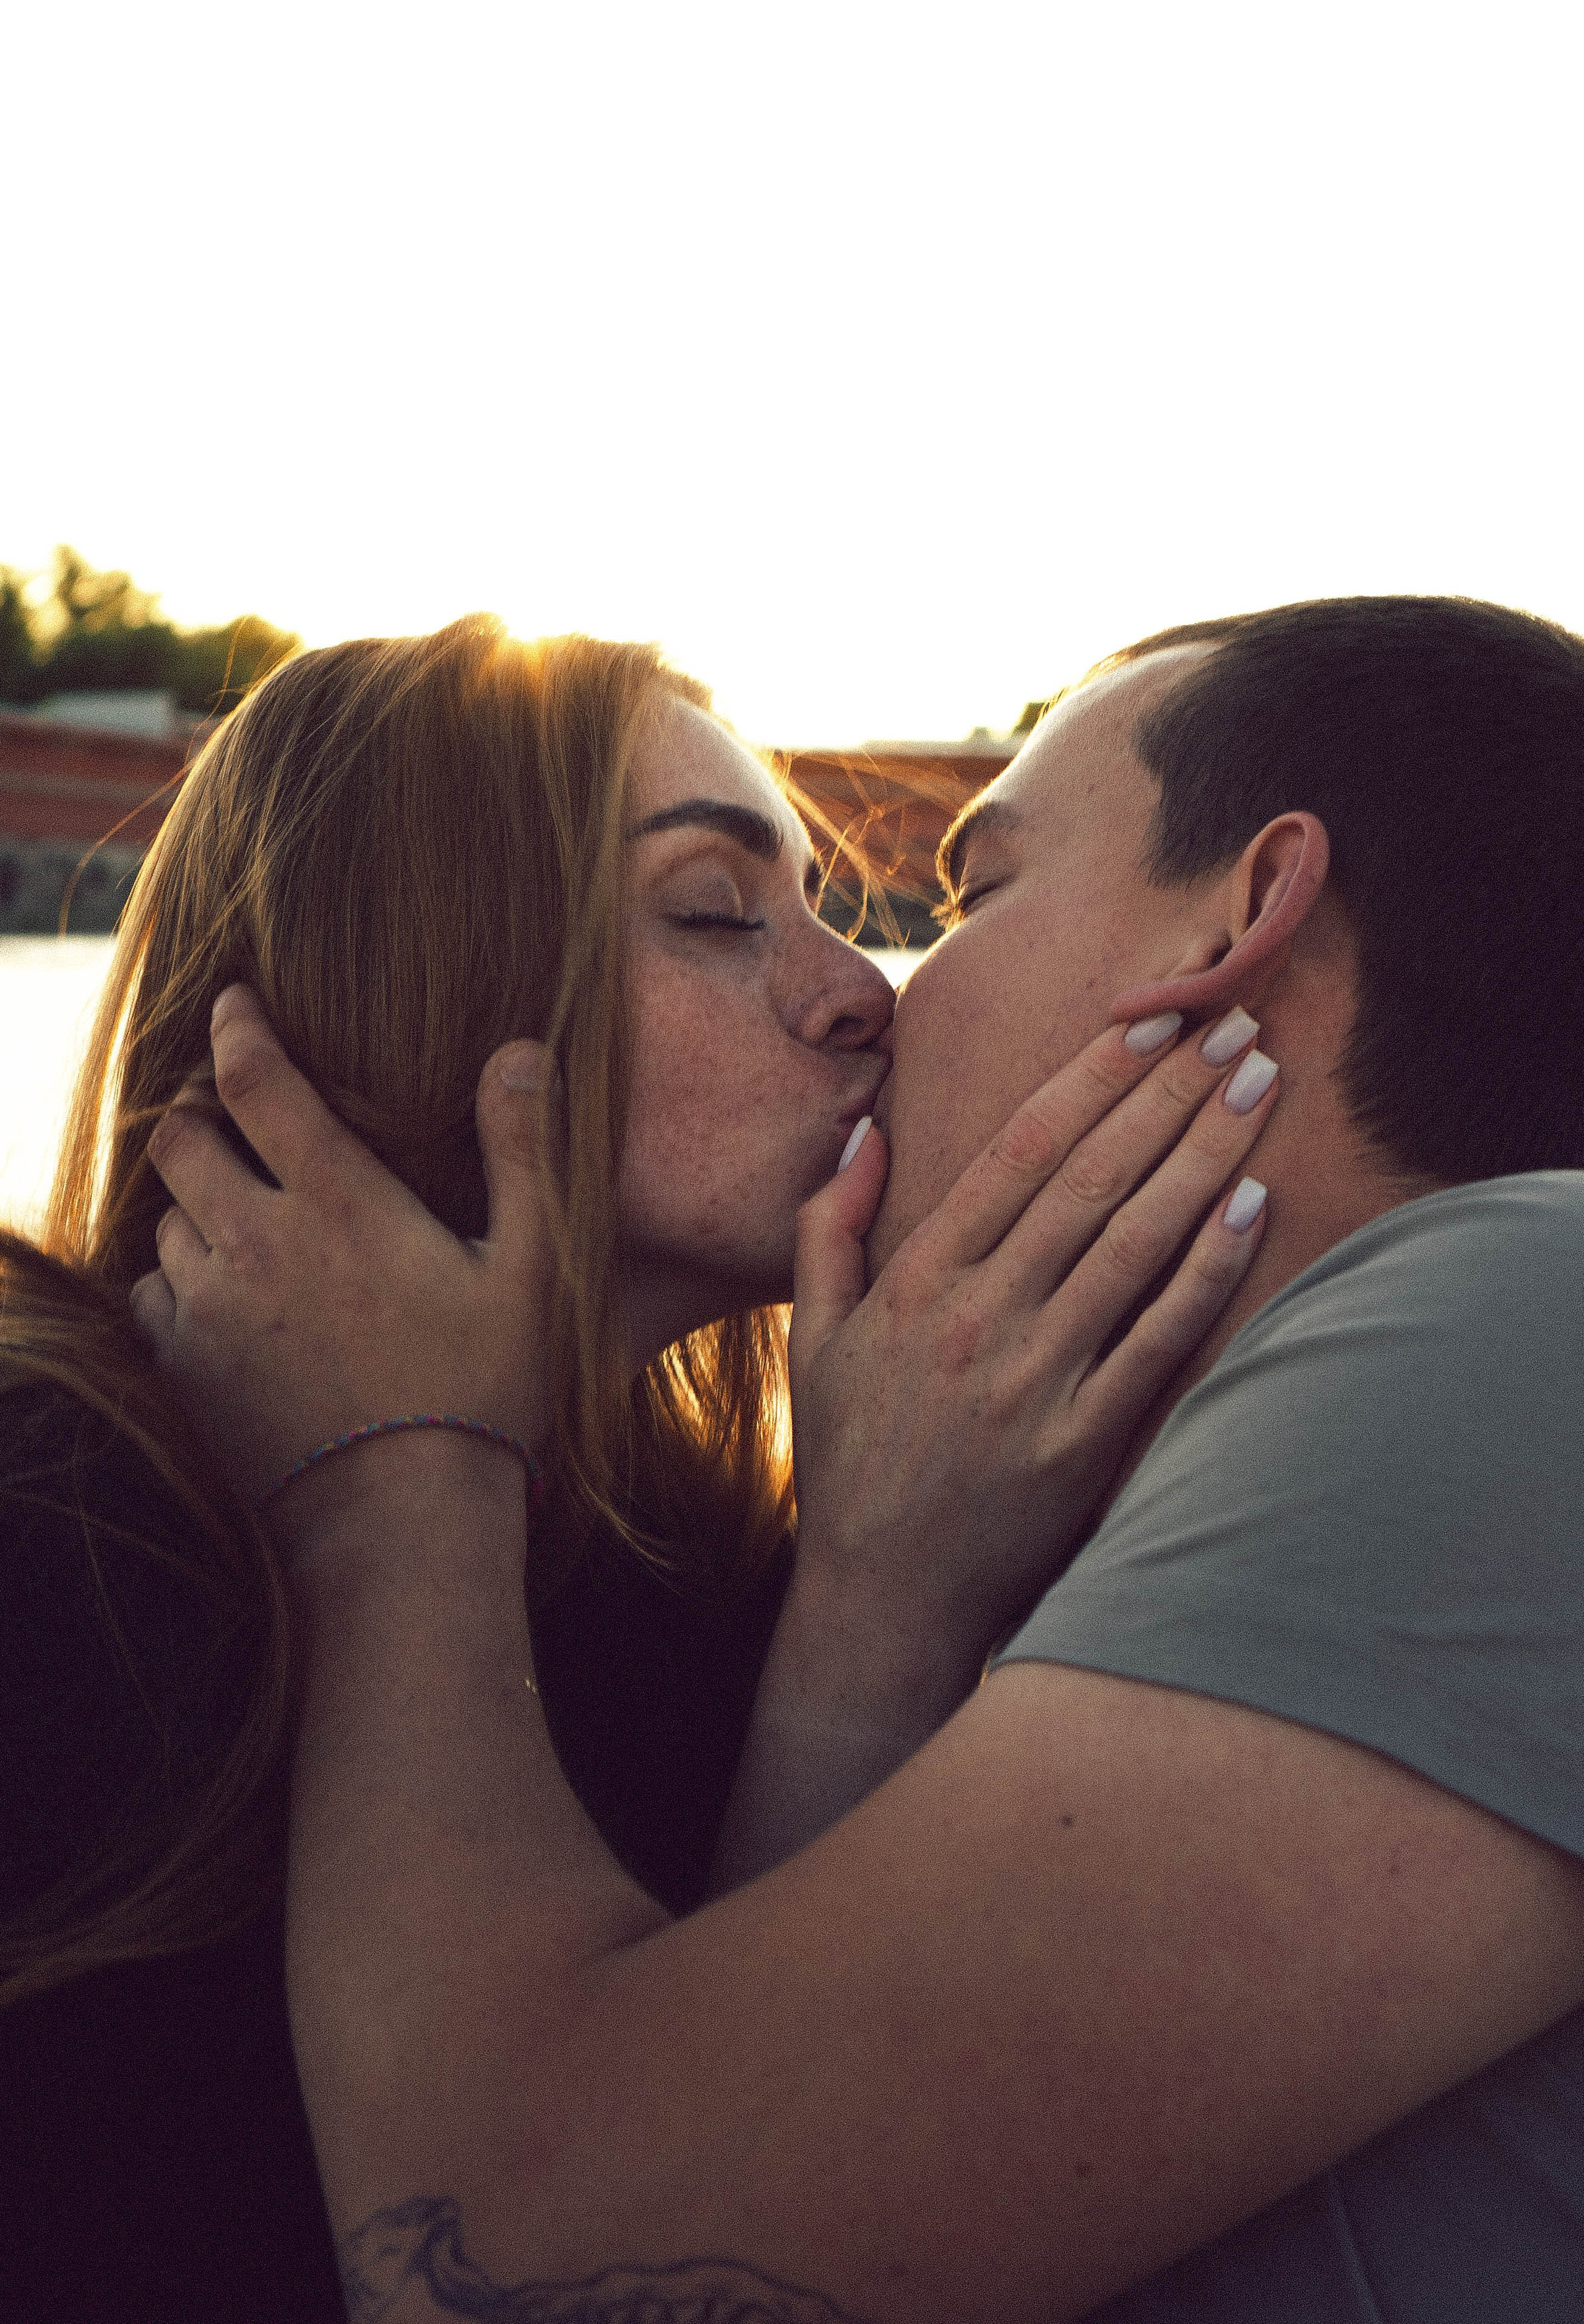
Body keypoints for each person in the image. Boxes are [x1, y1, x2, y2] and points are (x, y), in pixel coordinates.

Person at [140, 593, 1584, 2323]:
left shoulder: (1517, 1323)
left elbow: (549, 2272)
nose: (874, 994)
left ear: (1246, 913)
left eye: (969, 894)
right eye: (714, 915)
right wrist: (874, 1608)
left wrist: (394, 1492)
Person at [0, 614, 1262, 2324]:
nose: (854, 995)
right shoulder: (51, 1504)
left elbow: (704, 2229)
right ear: (418, 979)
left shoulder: (702, 1587)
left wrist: (869, 1617)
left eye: (821, 913)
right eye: (716, 915)